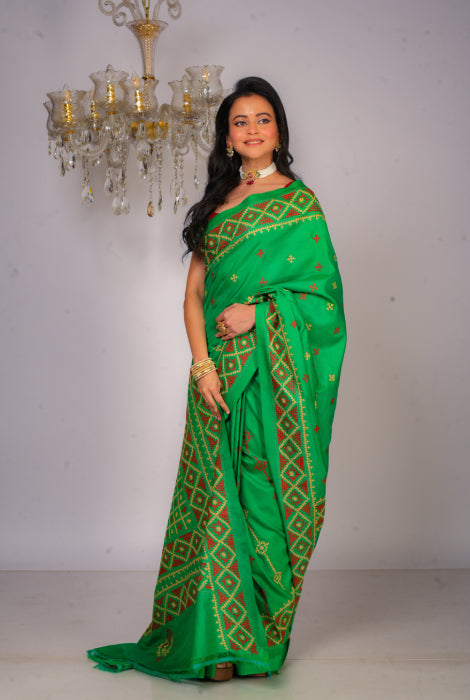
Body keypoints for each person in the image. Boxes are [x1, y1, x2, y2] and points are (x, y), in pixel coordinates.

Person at [88, 76, 346, 682]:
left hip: (271, 376)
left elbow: (326, 301)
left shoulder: (300, 204)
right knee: (214, 497)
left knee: (260, 494)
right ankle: (215, 643)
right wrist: (201, 365)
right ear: (227, 137)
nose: (253, 129)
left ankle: (255, 641)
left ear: (279, 131)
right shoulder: (218, 203)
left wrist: (262, 314)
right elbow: (194, 295)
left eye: (263, 119)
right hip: (216, 375)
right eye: (240, 121)